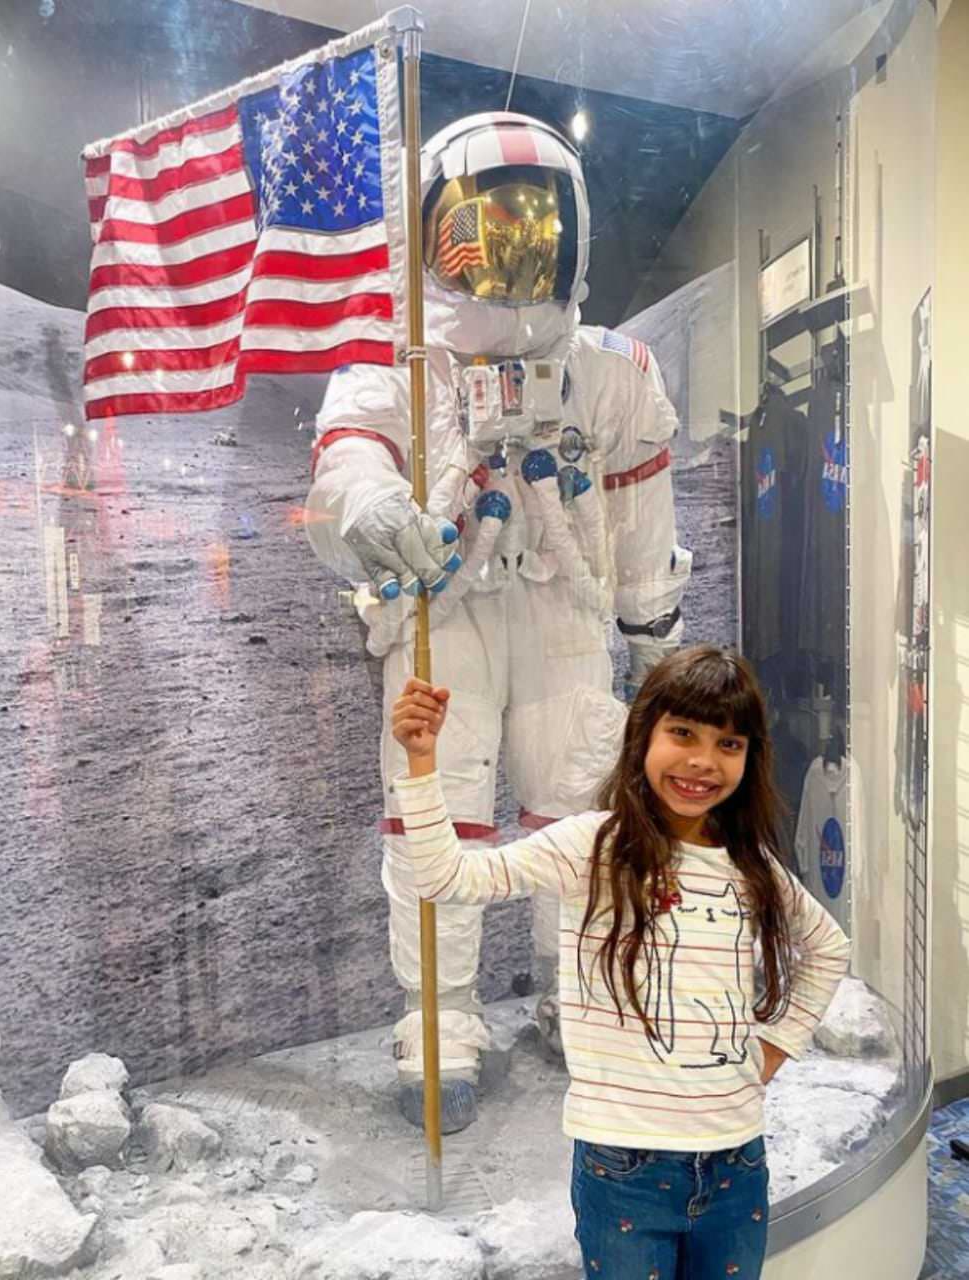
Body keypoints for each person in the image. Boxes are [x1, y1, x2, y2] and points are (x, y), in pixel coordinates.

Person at [304, 111, 690, 1132]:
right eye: (482, 229)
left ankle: (579, 997)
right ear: (433, 234)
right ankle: (439, 1016)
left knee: (576, 812)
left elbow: (644, 516)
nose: (512, 252)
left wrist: (653, 635)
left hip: (564, 610)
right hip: (445, 615)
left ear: (574, 236)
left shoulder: (614, 373)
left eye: (534, 228)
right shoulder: (396, 362)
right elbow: (346, 459)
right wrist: (370, 506)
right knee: (437, 811)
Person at [389, 646, 851, 1279]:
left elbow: (828, 947)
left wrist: (775, 1046)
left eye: (729, 744)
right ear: (644, 736)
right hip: (624, 1169)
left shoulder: (751, 866)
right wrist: (421, 763)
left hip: (736, 1162)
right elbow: (447, 879)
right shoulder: (593, 846)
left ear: (750, 757)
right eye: (683, 733)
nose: (703, 760)